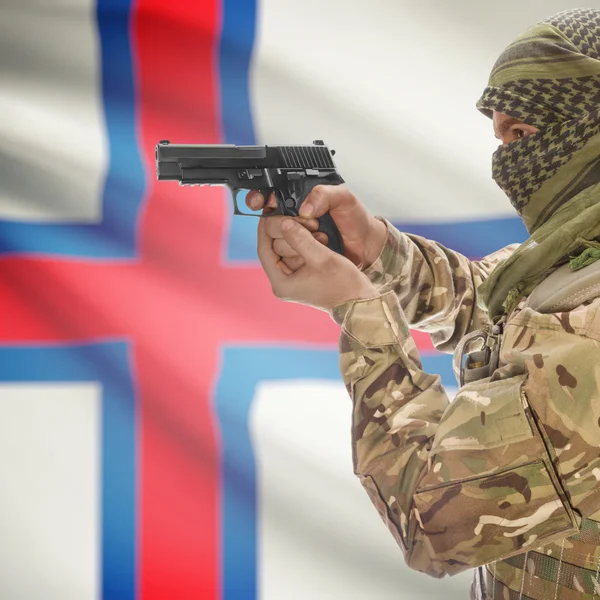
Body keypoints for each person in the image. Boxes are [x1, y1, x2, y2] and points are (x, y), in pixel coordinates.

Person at [247, 8, 600, 599]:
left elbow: (433, 522)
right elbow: (500, 308)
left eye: (523, 134)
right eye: (500, 136)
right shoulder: (578, 258)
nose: (506, 161)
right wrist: (378, 251)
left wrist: (359, 310)